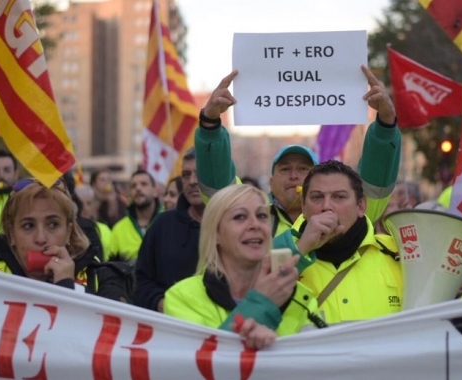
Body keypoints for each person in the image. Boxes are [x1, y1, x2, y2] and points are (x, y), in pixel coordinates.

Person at [195, 66, 400, 237]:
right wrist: (210, 125)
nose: (294, 176)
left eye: (303, 169)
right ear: (271, 181)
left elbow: (376, 179)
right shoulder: (250, 219)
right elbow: (218, 188)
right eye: (285, 169)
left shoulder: (346, 216)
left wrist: (386, 124)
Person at [165, 185, 321, 349]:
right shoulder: (182, 298)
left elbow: (316, 367)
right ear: (215, 233)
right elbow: (196, 368)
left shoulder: (302, 299)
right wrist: (261, 304)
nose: (255, 225)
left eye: (262, 216)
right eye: (240, 217)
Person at [273, 160, 403, 325]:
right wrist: (303, 246)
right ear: (304, 207)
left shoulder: (398, 253)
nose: (327, 206)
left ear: (361, 206)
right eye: (317, 197)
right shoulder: (281, 253)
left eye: (339, 197)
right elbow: (256, 298)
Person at [0, 178, 130, 301]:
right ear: (11, 235)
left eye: (53, 224)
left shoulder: (104, 281)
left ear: (68, 231)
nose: (41, 238)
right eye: (28, 226)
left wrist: (66, 287)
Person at [134, 148, 203, 312]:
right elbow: (141, 281)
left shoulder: (230, 224)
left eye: (199, 174)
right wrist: (161, 303)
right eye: (186, 175)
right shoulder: (162, 224)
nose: (192, 181)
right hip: (169, 328)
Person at [110, 169, 162, 261]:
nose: (138, 188)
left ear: (155, 191)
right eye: (133, 186)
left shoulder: (169, 221)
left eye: (144, 184)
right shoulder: (118, 229)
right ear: (130, 194)